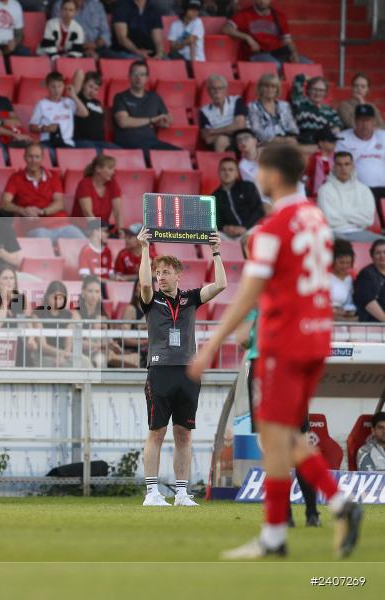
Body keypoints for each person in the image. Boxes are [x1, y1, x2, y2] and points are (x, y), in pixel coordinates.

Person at [189, 144, 362, 559]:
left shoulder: (272, 228)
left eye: (260, 169)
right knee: (281, 435)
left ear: (273, 174)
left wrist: (211, 344)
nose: (256, 176)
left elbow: (250, 292)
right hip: (316, 337)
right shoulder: (317, 218)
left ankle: (327, 507)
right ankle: (284, 530)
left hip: (284, 342)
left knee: (275, 435)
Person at [234, 231, 321, 528]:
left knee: (274, 446)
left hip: (266, 369)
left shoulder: (254, 286)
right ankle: (313, 513)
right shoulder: (294, 279)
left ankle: (285, 516)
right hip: (293, 368)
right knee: (299, 441)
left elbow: (242, 338)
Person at [136, 225, 227, 508]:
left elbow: (221, 285)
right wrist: (144, 248)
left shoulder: (190, 299)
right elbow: (145, 285)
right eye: (158, 272)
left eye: (166, 272)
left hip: (188, 372)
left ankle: (181, 493)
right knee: (156, 431)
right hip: (160, 371)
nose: (160, 277)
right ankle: (152, 493)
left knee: (184, 434)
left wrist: (216, 252)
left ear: (178, 275)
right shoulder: (152, 300)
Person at [0, 143, 85, 242]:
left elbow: (59, 203)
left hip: (63, 226)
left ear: (42, 158)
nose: (34, 160)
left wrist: (42, 212)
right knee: (41, 239)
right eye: (30, 156)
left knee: (83, 244)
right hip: (37, 228)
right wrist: (23, 211)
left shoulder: (53, 176)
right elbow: (4, 203)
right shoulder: (15, 178)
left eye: (37, 157)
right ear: (24, 157)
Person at [113, 60, 178, 154]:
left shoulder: (154, 97)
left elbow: (166, 119)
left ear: (147, 78)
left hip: (152, 142)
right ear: (129, 76)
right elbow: (123, 122)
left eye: (142, 74)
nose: (138, 77)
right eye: (135, 74)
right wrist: (151, 120)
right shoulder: (120, 97)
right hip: (128, 143)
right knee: (154, 155)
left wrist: (166, 121)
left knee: (182, 154)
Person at [317, 152, 382, 243]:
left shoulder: (364, 189)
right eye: (339, 164)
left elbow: (368, 219)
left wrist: (340, 212)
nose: (343, 168)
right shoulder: (325, 190)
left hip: (360, 232)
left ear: (352, 166)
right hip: (334, 233)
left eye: (347, 164)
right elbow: (329, 219)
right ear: (334, 167)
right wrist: (356, 217)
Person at [223, 0, 311, 66]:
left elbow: (287, 40)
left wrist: (294, 53)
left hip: (277, 54)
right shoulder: (244, 14)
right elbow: (226, 29)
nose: (262, 1)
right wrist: (247, 38)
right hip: (255, 55)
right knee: (275, 65)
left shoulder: (279, 16)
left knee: (308, 64)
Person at [336, 105, 385, 208]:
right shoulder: (343, 138)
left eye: (368, 120)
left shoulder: (383, 136)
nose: (365, 124)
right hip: (358, 191)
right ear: (355, 121)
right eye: (361, 120)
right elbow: (340, 165)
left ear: (374, 122)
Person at [30, 71, 89, 151]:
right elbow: (32, 127)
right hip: (48, 142)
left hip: (67, 143)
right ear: (47, 87)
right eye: (53, 87)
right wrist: (46, 128)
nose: (56, 90)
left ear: (64, 86)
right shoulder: (42, 104)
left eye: (59, 86)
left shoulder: (68, 102)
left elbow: (85, 113)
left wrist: (74, 96)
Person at [213, 156, 266, 239]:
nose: (227, 173)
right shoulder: (214, 196)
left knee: (259, 229)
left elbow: (259, 211)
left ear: (237, 173)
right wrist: (224, 228)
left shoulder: (248, 187)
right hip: (229, 236)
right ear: (219, 172)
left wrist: (245, 227)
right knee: (213, 235)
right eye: (223, 170)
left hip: (250, 230)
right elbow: (215, 221)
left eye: (231, 170)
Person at [32, 279, 78, 368]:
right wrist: (61, 353)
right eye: (54, 297)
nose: (58, 301)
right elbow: (43, 346)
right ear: (47, 297)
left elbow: (68, 344)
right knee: (68, 365)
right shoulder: (38, 314)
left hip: (64, 355)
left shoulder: (68, 315)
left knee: (85, 361)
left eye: (61, 298)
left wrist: (64, 355)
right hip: (44, 356)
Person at [290, 74, 343, 147]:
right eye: (314, 89)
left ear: (325, 93)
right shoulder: (300, 102)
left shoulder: (330, 110)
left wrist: (336, 128)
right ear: (308, 90)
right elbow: (298, 79)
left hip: (325, 144)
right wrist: (312, 79)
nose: (317, 93)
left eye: (321, 90)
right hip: (304, 142)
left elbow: (339, 124)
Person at [69, 70, 117, 150]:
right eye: (90, 86)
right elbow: (79, 73)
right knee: (96, 152)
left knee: (118, 152)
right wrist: (75, 95)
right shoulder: (77, 98)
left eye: (96, 89)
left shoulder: (98, 103)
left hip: (100, 142)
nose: (92, 91)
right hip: (82, 140)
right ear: (83, 84)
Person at [199, 74, 248, 152]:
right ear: (208, 91)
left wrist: (215, 131)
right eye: (213, 89)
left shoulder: (236, 101)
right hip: (221, 142)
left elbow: (240, 126)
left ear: (226, 89)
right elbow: (208, 139)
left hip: (241, 138)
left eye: (220, 88)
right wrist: (230, 130)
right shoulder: (204, 111)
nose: (216, 91)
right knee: (221, 140)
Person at [73, 154, 122, 230]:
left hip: (103, 227)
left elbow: (118, 211)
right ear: (98, 169)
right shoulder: (84, 183)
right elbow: (87, 212)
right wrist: (99, 230)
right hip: (82, 227)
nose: (113, 172)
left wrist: (121, 230)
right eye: (110, 168)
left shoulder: (113, 183)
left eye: (113, 169)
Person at [247, 73, 299, 145]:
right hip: (265, 142)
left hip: (286, 140)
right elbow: (256, 130)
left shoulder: (284, 105)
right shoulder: (252, 107)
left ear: (277, 89)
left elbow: (292, 126)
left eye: (273, 87)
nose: (270, 89)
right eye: (266, 86)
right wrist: (275, 140)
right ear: (260, 88)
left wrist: (292, 137)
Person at [353, 238, 385, 323]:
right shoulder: (366, 274)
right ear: (372, 256)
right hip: (372, 324)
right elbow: (368, 302)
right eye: (378, 253)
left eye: (384, 252)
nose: (382, 256)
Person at [303, 129, 338, 197]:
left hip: (333, 195)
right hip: (315, 196)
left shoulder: (336, 157)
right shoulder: (313, 159)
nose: (334, 143)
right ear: (321, 143)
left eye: (335, 141)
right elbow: (305, 177)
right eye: (331, 141)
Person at [330, 239, 357, 321]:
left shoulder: (350, 279)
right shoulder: (324, 277)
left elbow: (350, 302)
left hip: (343, 318)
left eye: (348, 263)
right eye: (341, 262)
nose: (345, 266)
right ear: (333, 260)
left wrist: (349, 311)